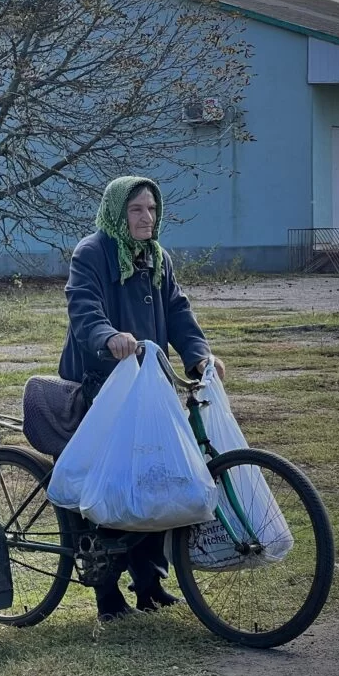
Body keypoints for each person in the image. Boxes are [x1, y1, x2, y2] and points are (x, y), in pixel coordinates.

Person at [58, 175, 226, 620]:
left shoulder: (157, 258)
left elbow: (178, 310)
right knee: (116, 483)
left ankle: (149, 584)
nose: (146, 217)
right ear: (117, 212)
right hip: (102, 383)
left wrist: (199, 356)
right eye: (136, 209)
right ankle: (107, 594)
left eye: (152, 209)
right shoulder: (92, 253)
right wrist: (108, 337)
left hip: (150, 383)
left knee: (159, 480)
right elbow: (83, 308)